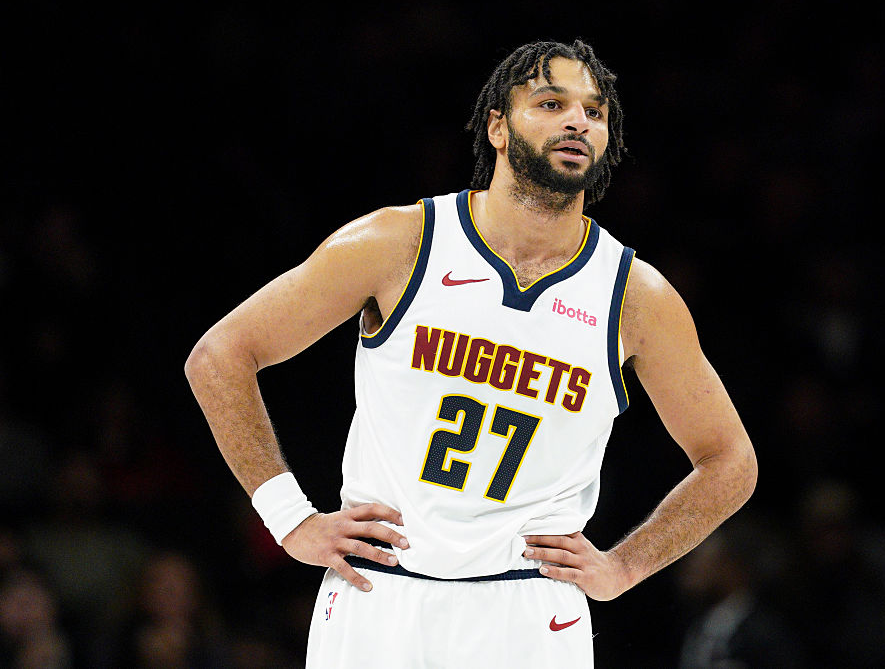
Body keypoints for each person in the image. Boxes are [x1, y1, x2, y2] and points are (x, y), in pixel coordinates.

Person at [185, 39, 757, 668]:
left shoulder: (635, 296)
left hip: (530, 609)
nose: (578, 121)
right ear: (498, 127)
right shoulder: (399, 243)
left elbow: (730, 460)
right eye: (550, 102)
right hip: (380, 594)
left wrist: (625, 565)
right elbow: (219, 356)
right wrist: (288, 517)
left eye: (595, 112)